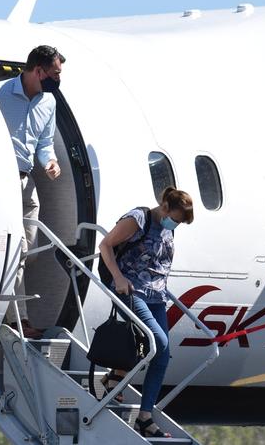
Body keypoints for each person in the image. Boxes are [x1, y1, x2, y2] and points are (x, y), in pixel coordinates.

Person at [98, 187, 194, 438]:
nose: (175, 224)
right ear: (164, 206)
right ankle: (115, 376)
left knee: (162, 356)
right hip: (131, 290)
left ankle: (144, 417)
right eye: (175, 218)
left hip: (157, 296)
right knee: (157, 342)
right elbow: (105, 244)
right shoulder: (138, 219)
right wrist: (118, 277)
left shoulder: (169, 226)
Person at [0, 45, 65, 338]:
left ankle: (12, 311)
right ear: (38, 70)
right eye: (55, 73)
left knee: (28, 250)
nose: (58, 79)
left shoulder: (48, 102)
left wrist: (51, 161)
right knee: (17, 251)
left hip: (26, 178)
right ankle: (17, 319)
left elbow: (45, 142)